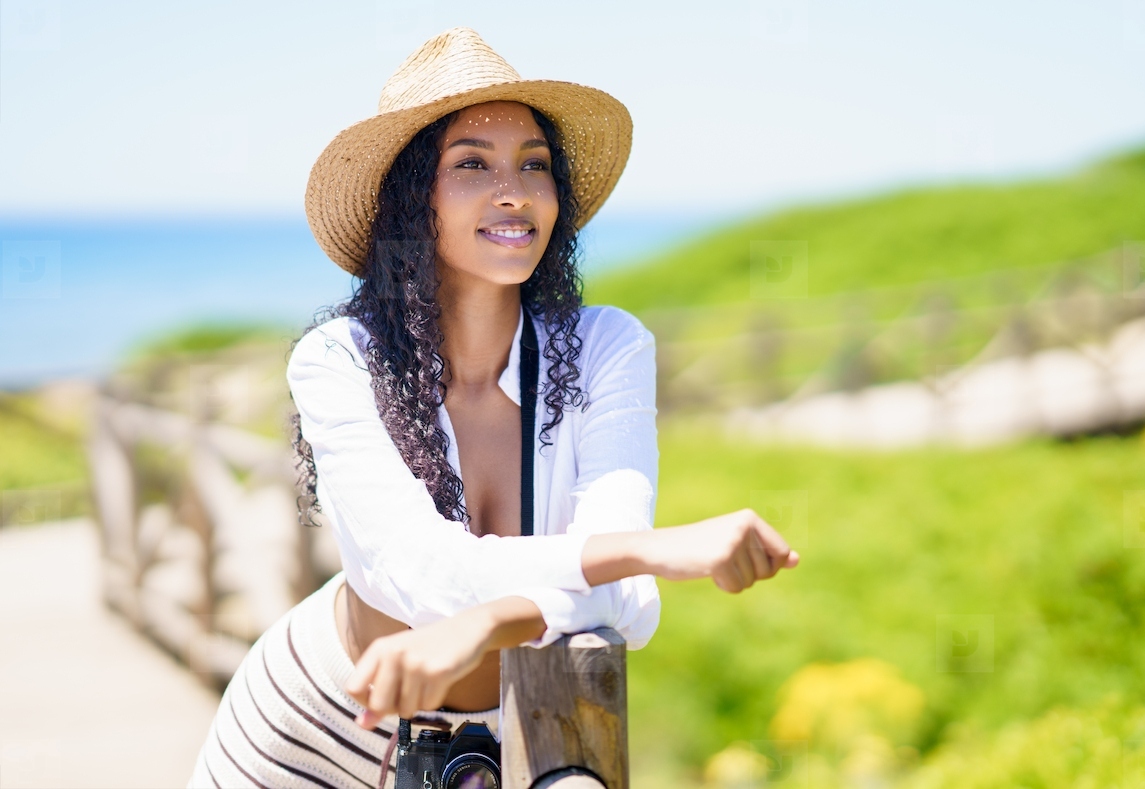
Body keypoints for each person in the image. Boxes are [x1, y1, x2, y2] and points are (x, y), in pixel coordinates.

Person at [187, 26, 798, 789]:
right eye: (472, 163)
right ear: (415, 199)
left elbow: (627, 607)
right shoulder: (341, 358)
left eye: (534, 165)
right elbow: (419, 570)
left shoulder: (608, 348)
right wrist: (649, 549)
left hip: (522, 728)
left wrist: (482, 626)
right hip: (318, 719)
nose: (513, 188)